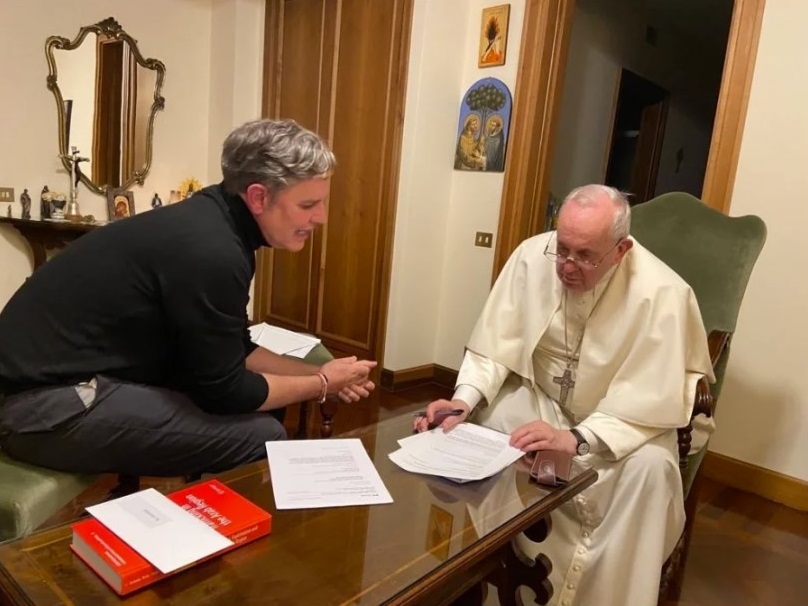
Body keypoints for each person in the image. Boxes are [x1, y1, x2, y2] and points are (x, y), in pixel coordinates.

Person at [0, 119, 376, 479]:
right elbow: (226, 392)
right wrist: (324, 383)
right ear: (259, 196)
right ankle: (200, 532)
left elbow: (235, 348)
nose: (322, 218)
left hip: (59, 384)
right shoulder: (212, 249)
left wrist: (321, 375)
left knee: (266, 409)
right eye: (308, 205)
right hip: (37, 408)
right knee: (264, 434)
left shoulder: (210, 220)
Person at [415, 184, 713, 606]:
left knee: (651, 473)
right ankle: (499, 571)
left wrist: (575, 439)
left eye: (585, 255)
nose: (567, 267)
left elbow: (651, 399)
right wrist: (465, 398)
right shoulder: (531, 257)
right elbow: (495, 345)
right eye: (563, 248)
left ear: (621, 249)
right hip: (545, 403)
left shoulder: (664, 292)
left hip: (621, 424)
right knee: (492, 423)